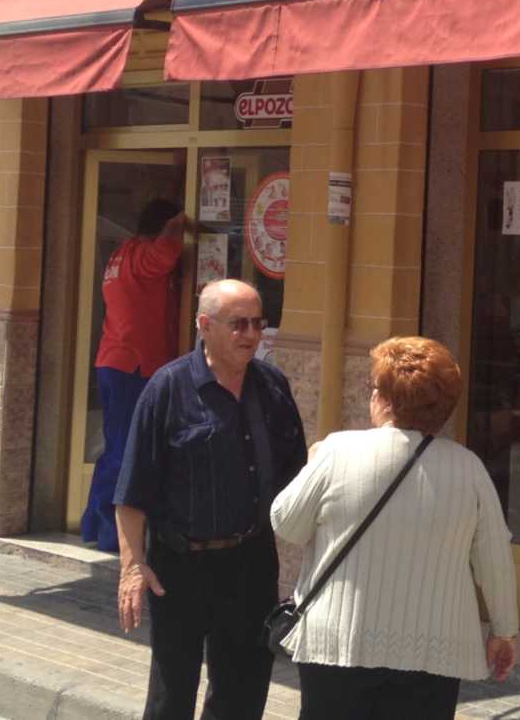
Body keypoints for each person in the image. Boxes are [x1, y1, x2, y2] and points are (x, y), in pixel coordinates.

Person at [270, 337, 519, 719]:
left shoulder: (337, 451)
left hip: (339, 643)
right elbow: (495, 559)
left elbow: (286, 523)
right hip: (435, 648)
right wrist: (505, 631)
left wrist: (311, 462)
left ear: (385, 399)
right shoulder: (469, 469)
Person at [113, 278, 307, 720]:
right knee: (171, 696)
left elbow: (297, 476)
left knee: (242, 693)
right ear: (205, 325)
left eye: (258, 323)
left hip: (252, 562)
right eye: (238, 324)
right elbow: (132, 489)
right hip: (179, 566)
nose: (251, 335)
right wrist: (131, 567)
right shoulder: (167, 389)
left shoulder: (272, 386)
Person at [81, 198, 185, 553]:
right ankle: (114, 535)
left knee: (114, 448)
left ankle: (94, 524)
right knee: (127, 450)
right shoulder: (143, 254)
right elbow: (167, 253)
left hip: (114, 361)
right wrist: (183, 223)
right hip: (134, 365)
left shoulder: (120, 254)